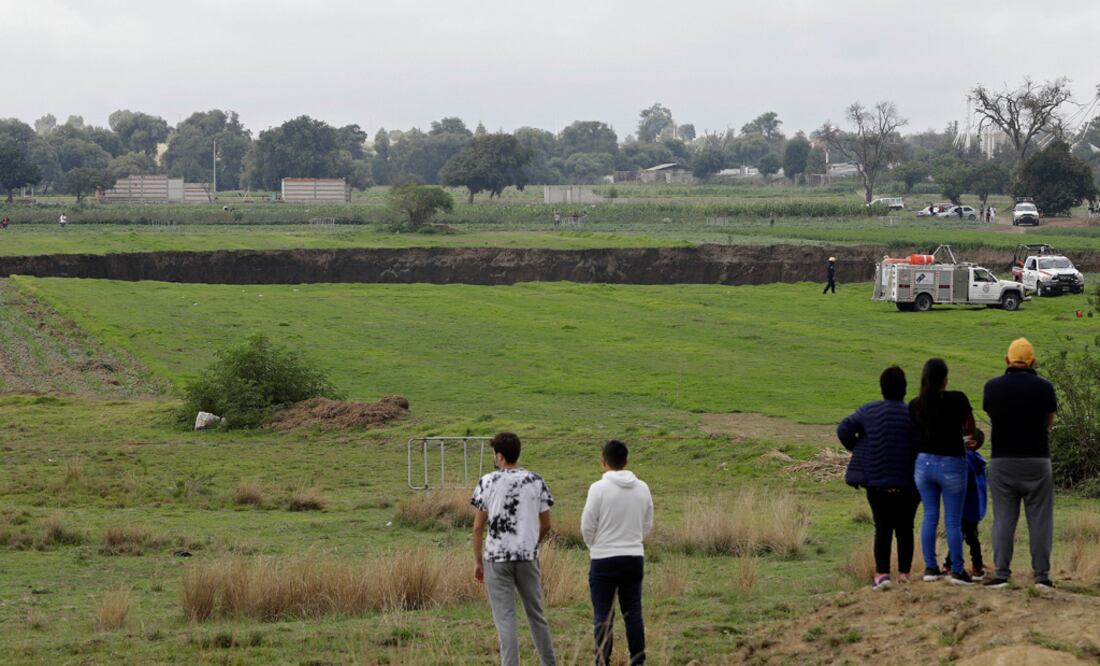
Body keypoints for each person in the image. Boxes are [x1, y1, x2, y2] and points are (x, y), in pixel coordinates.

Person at [471, 432, 557, 666]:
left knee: (506, 619)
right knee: (536, 614)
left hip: (497, 558)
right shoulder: (536, 480)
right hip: (527, 556)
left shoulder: (487, 481)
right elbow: (546, 523)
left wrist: (478, 561)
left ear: (499, 457)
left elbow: (478, 526)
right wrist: (532, 543)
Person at [981, 338, 1058, 590]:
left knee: (1003, 519)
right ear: (1033, 361)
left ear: (1007, 361)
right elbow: (1049, 421)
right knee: (1040, 521)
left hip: (1003, 462)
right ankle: (1042, 576)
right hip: (1037, 461)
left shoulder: (992, 388)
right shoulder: (1045, 388)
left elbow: (993, 414)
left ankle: (1002, 575)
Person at [837, 366, 920, 590]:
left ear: (882, 388)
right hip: (909, 482)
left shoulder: (869, 411)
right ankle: (904, 574)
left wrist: (860, 449)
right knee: (905, 528)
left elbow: (844, 429)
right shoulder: (913, 413)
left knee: (882, 528)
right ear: (904, 389)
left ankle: (882, 575)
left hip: (876, 482)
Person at [581, 440, 654, 665]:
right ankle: (638, 660)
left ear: (603, 462)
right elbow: (647, 522)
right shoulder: (642, 487)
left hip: (603, 558)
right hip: (633, 557)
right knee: (633, 613)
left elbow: (587, 526)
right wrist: (634, 541)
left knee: (603, 615)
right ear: (626, 461)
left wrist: (595, 547)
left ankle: (602, 661)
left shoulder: (598, 489)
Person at [910, 358, 978, 585]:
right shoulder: (958, 398)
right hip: (952, 463)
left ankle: (930, 568)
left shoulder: (916, 404)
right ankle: (957, 570)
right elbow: (971, 429)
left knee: (929, 516)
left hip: (924, 464)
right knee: (953, 521)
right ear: (945, 380)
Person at [941, 431, 988, 579]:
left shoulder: (965, 460)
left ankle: (973, 566)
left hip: (964, 506)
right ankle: (975, 566)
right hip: (975, 506)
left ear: (972, 443)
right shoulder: (977, 460)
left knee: (966, 537)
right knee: (969, 536)